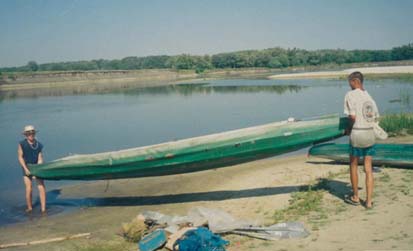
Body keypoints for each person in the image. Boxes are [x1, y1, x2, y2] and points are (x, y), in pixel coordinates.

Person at [344, 71, 379, 209]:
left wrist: (348, 129)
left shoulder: (350, 95)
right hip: (369, 134)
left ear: (355, 81)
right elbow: (375, 117)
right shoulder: (369, 96)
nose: (349, 85)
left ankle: (356, 197)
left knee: (353, 164)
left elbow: (352, 117)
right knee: (368, 168)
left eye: (350, 82)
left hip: (357, 134)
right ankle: (369, 202)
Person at [17, 125, 46, 213]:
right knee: (29, 188)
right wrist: (26, 169)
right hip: (26, 167)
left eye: (32, 132)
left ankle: (43, 209)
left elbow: (40, 158)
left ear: (34, 133)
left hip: (37, 167)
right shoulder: (22, 144)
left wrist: (36, 171)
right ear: (25, 135)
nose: (30, 134)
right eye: (28, 133)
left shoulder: (39, 144)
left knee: (41, 187)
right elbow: (20, 157)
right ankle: (29, 207)